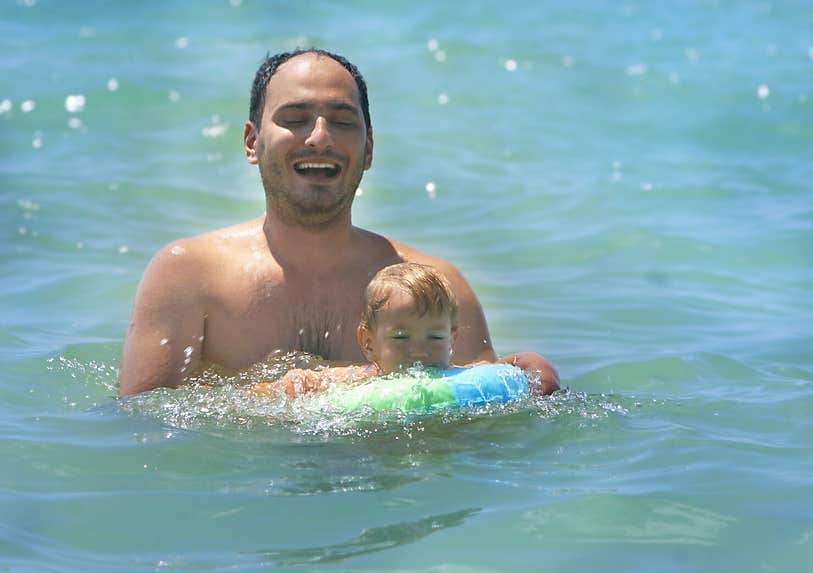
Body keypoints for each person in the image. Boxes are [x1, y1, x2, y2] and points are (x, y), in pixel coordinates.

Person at [118, 48, 559, 398]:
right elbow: (144, 428)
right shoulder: (189, 277)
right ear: (252, 142)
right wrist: (274, 400)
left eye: (343, 122)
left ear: (368, 150)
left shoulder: (433, 286)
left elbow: (474, 420)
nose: (320, 137)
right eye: (294, 119)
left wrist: (523, 375)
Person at [257, 262, 538, 399]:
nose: (418, 349)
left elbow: (497, 369)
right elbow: (305, 381)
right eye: (401, 337)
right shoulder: (360, 380)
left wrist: (533, 370)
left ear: (453, 339)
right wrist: (289, 387)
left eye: (435, 337)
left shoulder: (460, 377)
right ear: (367, 343)